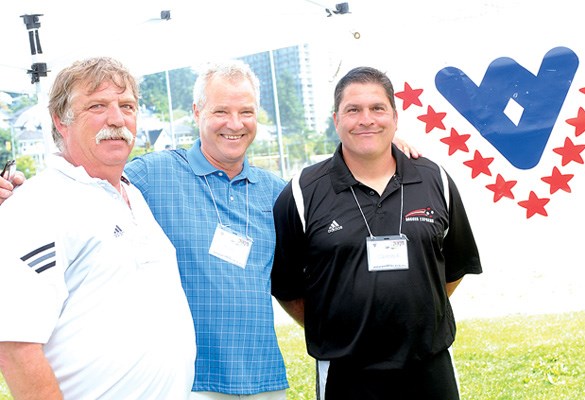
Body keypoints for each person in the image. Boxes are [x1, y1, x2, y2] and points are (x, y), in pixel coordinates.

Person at [0, 59, 419, 399]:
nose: (233, 124)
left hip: (262, 379)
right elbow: (88, 171)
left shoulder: (278, 194)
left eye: (245, 112)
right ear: (197, 113)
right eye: (220, 111)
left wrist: (380, 148)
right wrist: (12, 193)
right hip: (195, 386)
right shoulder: (149, 177)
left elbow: (317, 256)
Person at [270, 66, 482, 400]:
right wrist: (339, 325)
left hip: (428, 364)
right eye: (353, 110)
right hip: (345, 371)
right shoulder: (301, 192)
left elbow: (453, 267)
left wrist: (415, 313)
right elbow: (287, 286)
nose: (366, 119)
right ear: (336, 119)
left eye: (377, 108)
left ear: (395, 118)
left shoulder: (434, 180)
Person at [0, 57, 196, 399]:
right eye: (97, 106)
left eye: (127, 106)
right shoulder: (38, 205)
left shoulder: (130, 195)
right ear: (61, 120)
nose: (117, 119)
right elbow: (15, 345)